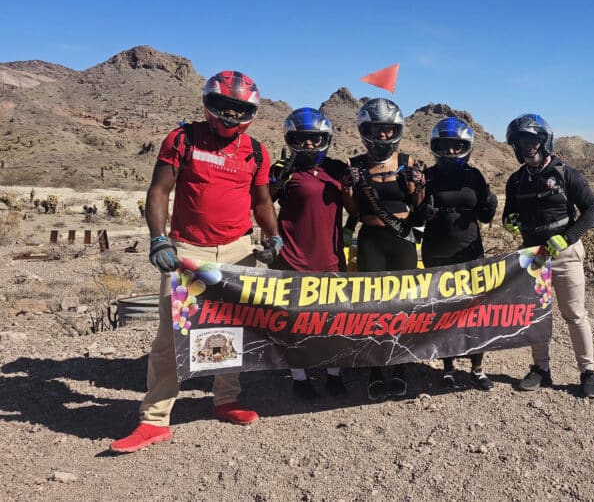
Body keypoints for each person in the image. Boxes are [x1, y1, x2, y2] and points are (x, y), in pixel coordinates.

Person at [110, 71, 281, 453]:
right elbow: (159, 191)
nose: (231, 116)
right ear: (208, 104)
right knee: (173, 335)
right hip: (190, 252)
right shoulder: (182, 138)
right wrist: (158, 238)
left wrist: (273, 237)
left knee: (235, 329)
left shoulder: (256, 150)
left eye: (240, 109)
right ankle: (154, 419)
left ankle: (225, 399)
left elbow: (262, 202)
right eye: (224, 107)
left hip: (239, 250)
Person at [502, 113, 594, 398]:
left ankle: (587, 371)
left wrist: (568, 238)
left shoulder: (567, 173)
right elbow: (510, 213)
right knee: (537, 315)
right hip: (533, 258)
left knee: (575, 314)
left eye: (532, 140)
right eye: (521, 143)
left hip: (566, 255)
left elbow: (592, 210)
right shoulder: (516, 180)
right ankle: (540, 368)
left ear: (544, 140)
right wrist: (509, 221)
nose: (527, 147)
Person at [268, 107, 353, 400]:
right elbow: (263, 204)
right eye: (302, 139)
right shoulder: (282, 167)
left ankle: (333, 374)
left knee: (333, 320)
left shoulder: (338, 169)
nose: (308, 145)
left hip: (330, 257)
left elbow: (352, 208)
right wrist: (280, 180)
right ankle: (300, 377)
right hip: (292, 257)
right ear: (291, 139)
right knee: (295, 321)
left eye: (314, 139)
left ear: (324, 139)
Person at [343, 98, 425, 401]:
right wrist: (346, 189)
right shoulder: (355, 164)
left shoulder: (409, 159)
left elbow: (418, 208)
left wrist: (418, 186)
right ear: (366, 130)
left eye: (389, 130)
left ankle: (401, 367)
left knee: (404, 304)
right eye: (377, 130)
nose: (383, 136)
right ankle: (376, 371)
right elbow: (351, 209)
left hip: (402, 238)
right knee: (372, 307)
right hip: (370, 239)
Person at [416, 117, 497, 391]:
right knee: (443, 312)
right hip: (437, 252)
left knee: (475, 311)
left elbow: (486, 215)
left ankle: (477, 368)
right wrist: (421, 212)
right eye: (446, 146)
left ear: (466, 147)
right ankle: (448, 368)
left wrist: (491, 202)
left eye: (456, 146)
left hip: (470, 250)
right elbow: (414, 216)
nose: (451, 151)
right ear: (436, 147)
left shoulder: (474, 176)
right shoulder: (427, 175)